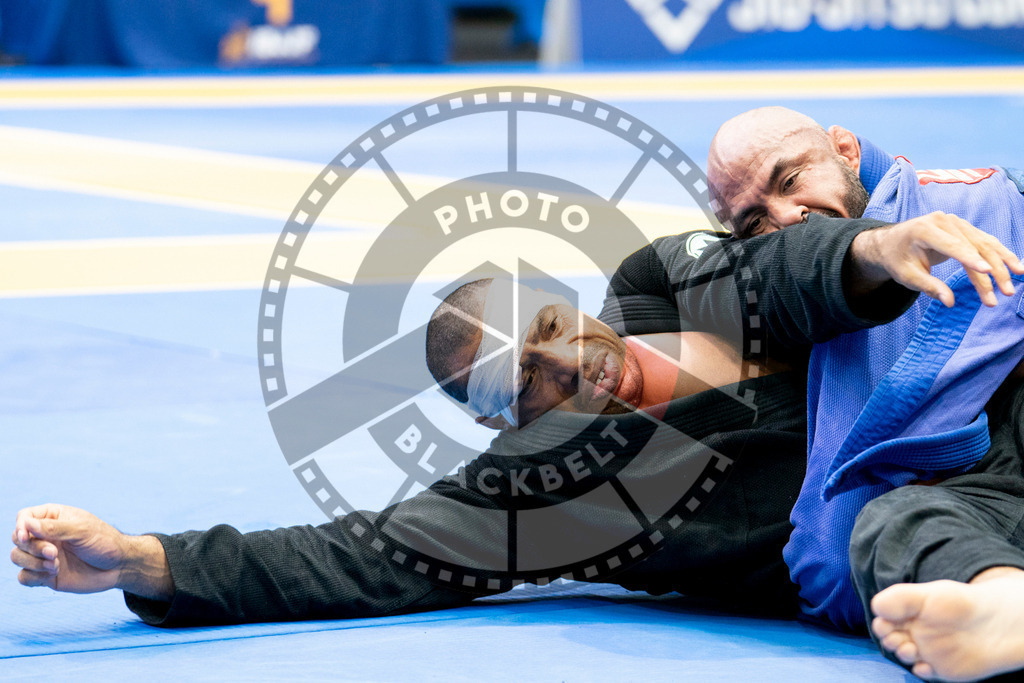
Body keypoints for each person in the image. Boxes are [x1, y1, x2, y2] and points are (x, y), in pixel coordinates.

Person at [13, 210, 1008, 629]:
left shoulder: (657, 279)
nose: (562, 362)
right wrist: (147, 557)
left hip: (982, 394)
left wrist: (873, 249)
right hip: (937, 516)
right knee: (897, 530)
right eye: (525, 383)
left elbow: (781, 270)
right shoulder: (550, 489)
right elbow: (362, 551)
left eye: (545, 329)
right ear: (508, 424)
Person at [707, 106, 1024, 679]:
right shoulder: (790, 300)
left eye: (790, 180)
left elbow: (824, 564)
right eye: (753, 222)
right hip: (998, 483)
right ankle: (1003, 602)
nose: (786, 217)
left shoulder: (968, 203)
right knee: (891, 523)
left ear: (847, 153)